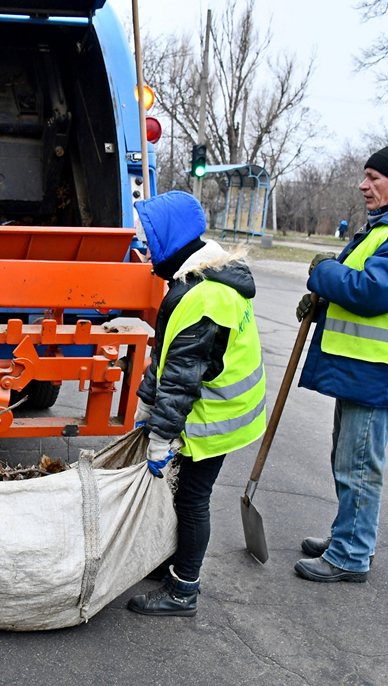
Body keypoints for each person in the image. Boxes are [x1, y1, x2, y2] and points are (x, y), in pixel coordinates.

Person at [293, 142, 388, 583]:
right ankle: (351, 535)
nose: (363, 185)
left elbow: (374, 292)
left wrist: (324, 273)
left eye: (374, 178)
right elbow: (358, 289)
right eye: (365, 176)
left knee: (358, 464)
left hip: (379, 372)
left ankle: (350, 554)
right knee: (348, 458)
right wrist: (322, 306)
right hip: (362, 369)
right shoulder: (385, 227)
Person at [127, 191, 266, 617]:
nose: (146, 250)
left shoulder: (203, 298)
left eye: (150, 241)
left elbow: (183, 379)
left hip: (217, 416)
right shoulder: (200, 280)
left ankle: (183, 588)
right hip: (218, 406)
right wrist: (146, 407)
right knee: (183, 493)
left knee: (191, 498)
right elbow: (166, 357)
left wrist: (161, 436)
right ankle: (173, 563)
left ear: (171, 240)